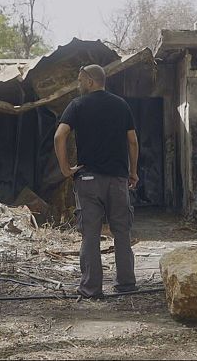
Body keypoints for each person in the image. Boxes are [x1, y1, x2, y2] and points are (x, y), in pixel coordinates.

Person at [54, 64, 139, 298]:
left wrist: (65, 169)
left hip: (88, 179)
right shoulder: (121, 105)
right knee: (122, 231)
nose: (78, 84)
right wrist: (133, 171)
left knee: (90, 234)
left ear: (91, 81)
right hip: (118, 180)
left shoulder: (77, 106)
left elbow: (60, 135)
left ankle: (91, 289)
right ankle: (126, 284)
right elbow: (132, 141)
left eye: (81, 80)